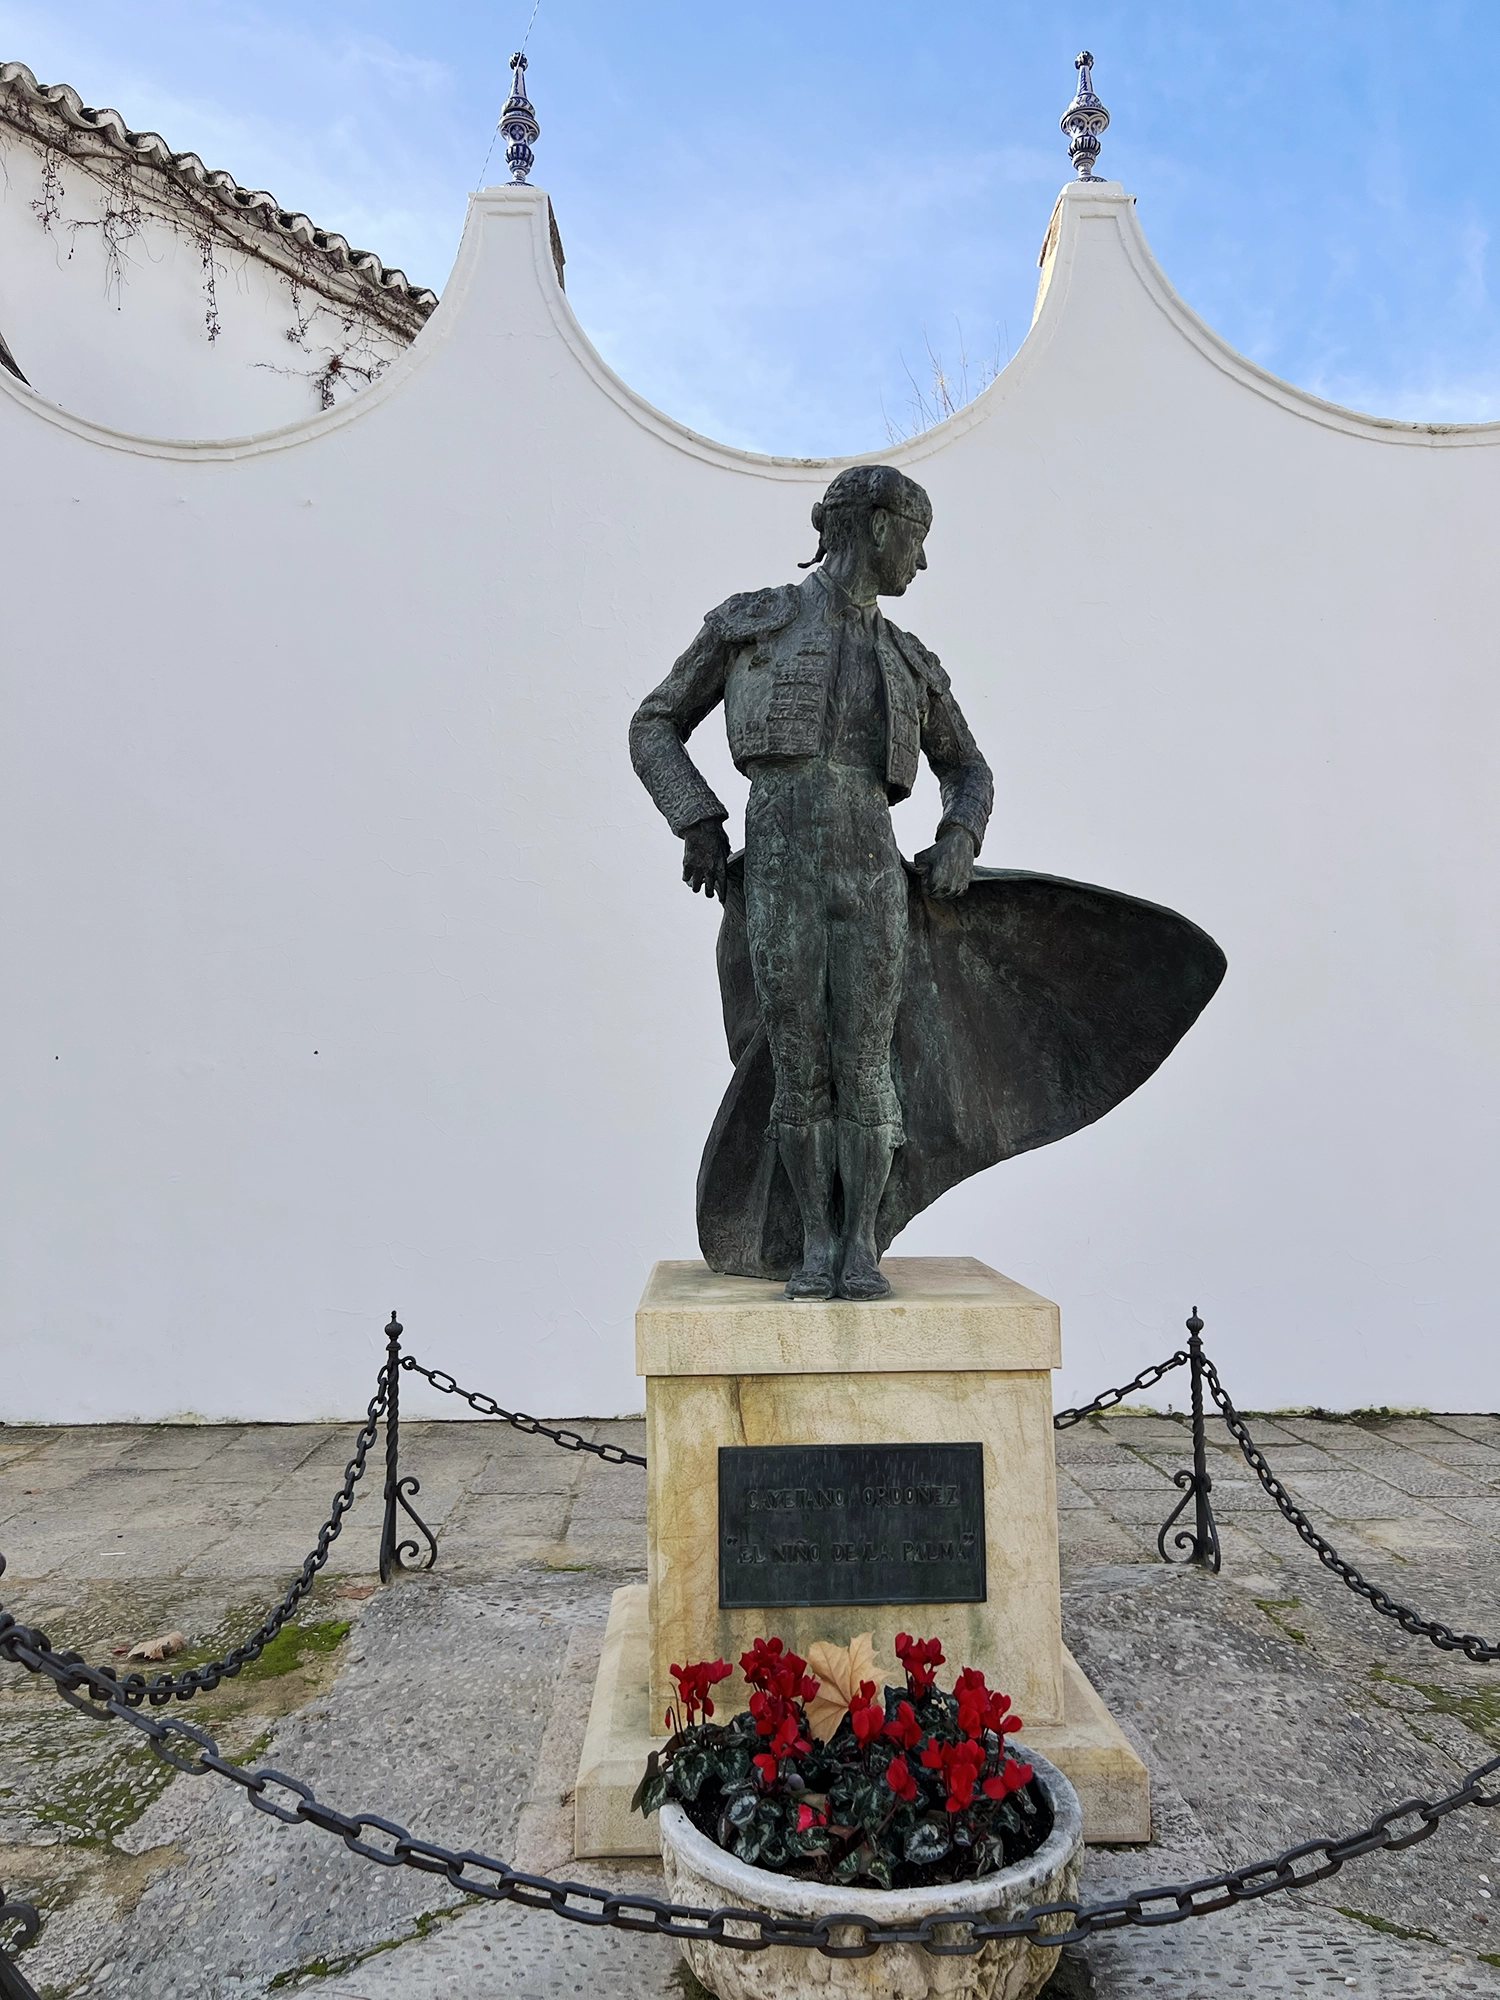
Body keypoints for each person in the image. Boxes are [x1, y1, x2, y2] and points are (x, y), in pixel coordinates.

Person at [630, 465, 993, 1301]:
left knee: (867, 1062)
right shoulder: (758, 622)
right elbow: (654, 722)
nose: (922, 565)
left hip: (870, 862)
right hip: (780, 854)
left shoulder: (908, 658)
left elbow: (968, 769)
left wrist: (960, 837)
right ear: (875, 525)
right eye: (918, 539)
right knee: (799, 1063)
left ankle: (860, 1240)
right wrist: (697, 820)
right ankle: (816, 1242)